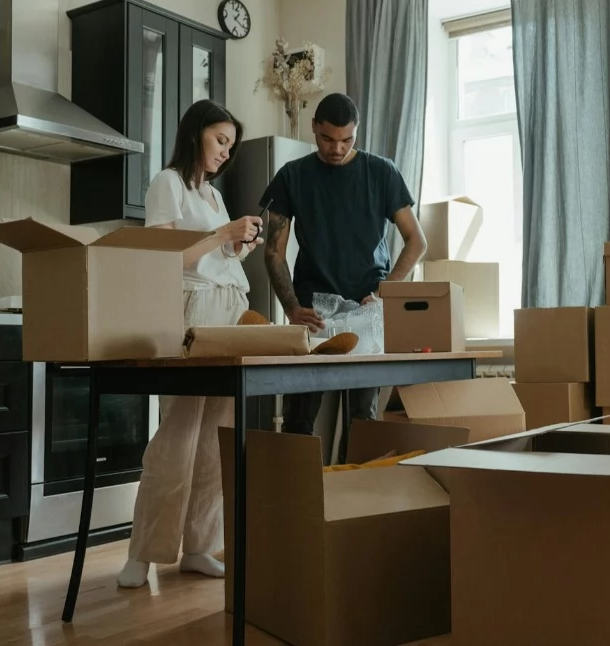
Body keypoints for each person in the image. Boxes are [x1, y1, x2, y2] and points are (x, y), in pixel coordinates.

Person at [117, 100, 265, 588]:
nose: (226, 152)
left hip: (230, 309)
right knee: (177, 435)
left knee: (216, 436)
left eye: (231, 146)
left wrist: (239, 245)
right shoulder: (168, 183)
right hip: (192, 311)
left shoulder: (214, 196)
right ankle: (142, 553)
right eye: (220, 140)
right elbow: (164, 258)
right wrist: (225, 233)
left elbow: (215, 259)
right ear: (196, 133)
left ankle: (199, 546)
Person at [261, 93, 427, 435]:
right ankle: (296, 489)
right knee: (298, 418)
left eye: (347, 140)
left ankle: (357, 489)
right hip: (312, 311)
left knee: (362, 419)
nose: (337, 148)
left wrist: (386, 291)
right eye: (327, 139)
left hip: (367, 308)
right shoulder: (291, 176)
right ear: (314, 128)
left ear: (356, 133)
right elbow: (273, 252)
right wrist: (291, 307)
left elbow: (417, 240)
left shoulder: (382, 172)